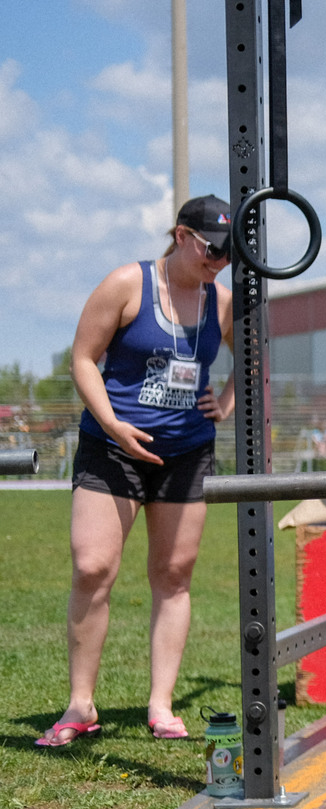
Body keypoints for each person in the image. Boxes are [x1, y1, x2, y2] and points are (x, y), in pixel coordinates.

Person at [38, 194, 237, 747]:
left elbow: (254, 358)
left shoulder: (219, 300)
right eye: (211, 250)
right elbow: (83, 357)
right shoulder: (128, 284)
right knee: (93, 567)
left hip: (185, 453)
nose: (218, 262)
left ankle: (161, 706)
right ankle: (80, 705)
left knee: (174, 577)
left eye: (229, 255)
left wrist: (224, 401)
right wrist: (113, 423)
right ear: (180, 236)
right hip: (113, 447)